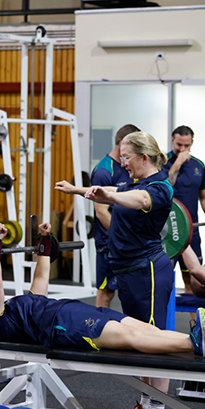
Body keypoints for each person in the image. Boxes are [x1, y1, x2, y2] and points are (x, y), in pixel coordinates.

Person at [0, 223, 205, 409]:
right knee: (133, 338)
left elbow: (40, 279)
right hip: (65, 327)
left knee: (145, 328)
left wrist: (44, 242)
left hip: (71, 311)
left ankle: (204, 338)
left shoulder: (15, 308)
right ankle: (193, 344)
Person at [55, 131, 181, 409]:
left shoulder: (158, 187)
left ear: (144, 158)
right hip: (128, 272)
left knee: (155, 343)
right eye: (121, 157)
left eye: (126, 157)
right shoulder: (133, 182)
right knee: (138, 341)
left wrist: (109, 196)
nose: (122, 163)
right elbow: (111, 188)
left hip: (148, 272)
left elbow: (135, 200)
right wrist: (76, 190)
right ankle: (145, 404)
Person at [90, 124, 140, 308]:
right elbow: (101, 212)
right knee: (106, 292)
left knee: (134, 290)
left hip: (130, 243)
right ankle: (99, 333)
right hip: (109, 244)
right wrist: (125, 236)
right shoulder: (104, 172)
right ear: (121, 144)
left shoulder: (129, 167)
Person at [163, 126, 205, 294]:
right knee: (163, 282)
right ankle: (163, 320)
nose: (183, 149)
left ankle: (195, 321)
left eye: (186, 145)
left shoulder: (198, 166)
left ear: (192, 142)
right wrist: (177, 162)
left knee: (194, 281)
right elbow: (164, 189)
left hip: (191, 231)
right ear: (172, 141)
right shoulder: (162, 162)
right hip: (167, 231)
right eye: (179, 144)